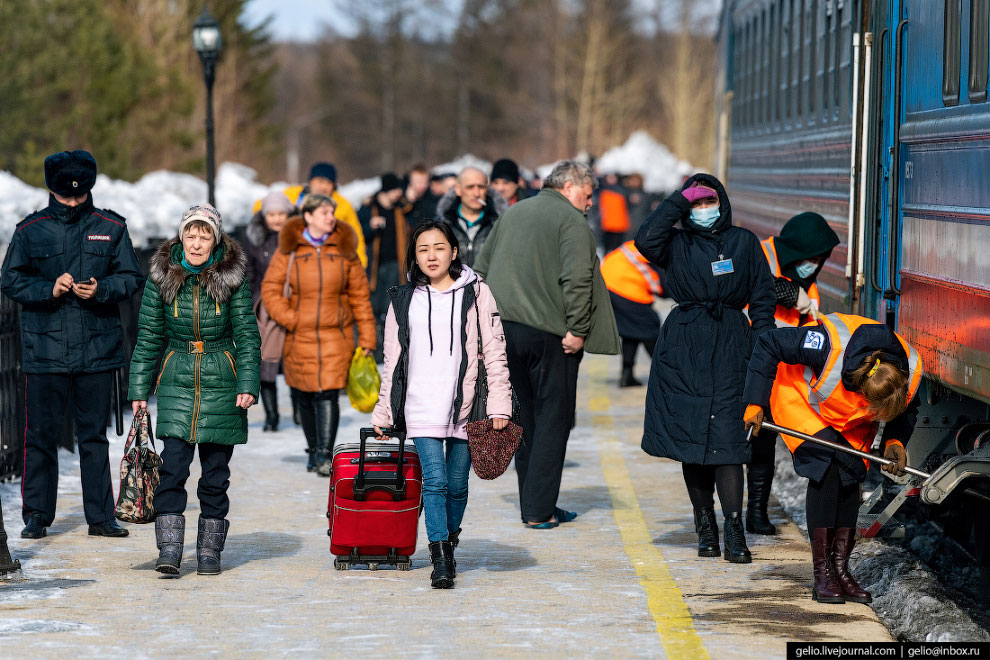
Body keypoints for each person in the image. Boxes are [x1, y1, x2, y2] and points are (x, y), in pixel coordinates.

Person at [0, 149, 143, 540]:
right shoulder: (30, 230)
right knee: (39, 438)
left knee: (94, 437)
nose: (74, 202)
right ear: (52, 190)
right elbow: (10, 281)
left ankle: (101, 517)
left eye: (80, 196)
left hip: (96, 351)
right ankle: (37, 516)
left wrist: (102, 289)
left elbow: (132, 276)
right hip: (43, 353)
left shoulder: (111, 226)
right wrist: (49, 288)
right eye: (66, 196)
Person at [634, 174, 775, 564]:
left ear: (721, 202)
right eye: (695, 204)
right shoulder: (676, 243)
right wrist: (678, 201)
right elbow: (644, 239)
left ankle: (734, 527)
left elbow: (762, 296)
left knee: (730, 442)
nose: (702, 209)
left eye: (708, 201)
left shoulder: (744, 242)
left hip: (733, 345)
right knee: (693, 442)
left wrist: (764, 347)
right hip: (685, 347)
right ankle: (705, 525)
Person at [475, 160, 620, 528]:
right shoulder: (571, 222)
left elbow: (483, 267)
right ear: (570, 187)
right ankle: (539, 511)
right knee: (554, 420)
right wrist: (578, 329)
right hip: (550, 337)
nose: (590, 204)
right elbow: (578, 279)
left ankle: (535, 503)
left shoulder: (514, 212)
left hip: (505, 332)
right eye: (588, 196)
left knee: (524, 420)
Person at [743, 313, 921, 604]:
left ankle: (840, 570)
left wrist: (895, 441)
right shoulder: (825, 347)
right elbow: (769, 343)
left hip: (849, 417)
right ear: (861, 385)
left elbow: (909, 408)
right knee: (825, 469)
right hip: (801, 399)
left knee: (851, 475)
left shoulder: (908, 370)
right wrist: (754, 402)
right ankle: (822, 574)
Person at [372, 221, 512, 589]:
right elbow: (393, 362)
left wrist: (499, 405)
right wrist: (385, 410)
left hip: (466, 404)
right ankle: (441, 557)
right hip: (420, 403)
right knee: (433, 482)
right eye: (422, 249)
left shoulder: (477, 292)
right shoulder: (402, 299)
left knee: (457, 485)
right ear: (414, 257)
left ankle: (449, 539)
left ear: (453, 251)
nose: (431, 255)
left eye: (438, 247)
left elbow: (495, 352)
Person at [128, 204, 261, 576]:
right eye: (191, 233)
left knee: (215, 474)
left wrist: (248, 383)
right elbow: (150, 336)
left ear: (215, 240)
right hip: (177, 378)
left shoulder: (231, 277)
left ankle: (209, 553)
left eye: (205, 235)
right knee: (173, 469)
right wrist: (139, 387)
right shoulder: (162, 276)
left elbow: (247, 335)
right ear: (181, 236)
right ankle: (169, 552)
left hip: (222, 377)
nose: (197, 242)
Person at [262, 194, 376, 475]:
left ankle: (325, 455)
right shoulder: (289, 250)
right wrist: (291, 318)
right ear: (308, 216)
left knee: (327, 394)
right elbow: (271, 290)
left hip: (336, 335)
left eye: (332, 212)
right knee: (304, 394)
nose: (330, 217)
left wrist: (368, 338)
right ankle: (313, 449)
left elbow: (360, 297)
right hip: (298, 336)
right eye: (324, 212)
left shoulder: (345, 249)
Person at [746, 211, 841, 536]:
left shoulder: (809, 289)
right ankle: (723, 514)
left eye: (819, 260)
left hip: (774, 376)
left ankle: (755, 512)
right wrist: (786, 292)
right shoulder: (761, 253)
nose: (812, 265)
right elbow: (747, 280)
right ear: (795, 249)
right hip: (738, 362)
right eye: (809, 258)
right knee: (729, 442)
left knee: (762, 441)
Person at [252, 162, 368, 268]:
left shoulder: (343, 205)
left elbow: (355, 236)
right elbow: (260, 205)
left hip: (329, 262)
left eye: (329, 183)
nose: (324, 187)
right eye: (320, 181)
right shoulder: (295, 195)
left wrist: (360, 264)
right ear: (311, 181)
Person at [246, 191, 294, 432]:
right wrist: (254, 301)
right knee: (266, 363)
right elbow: (251, 273)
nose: (276, 219)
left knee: (295, 359)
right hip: (264, 306)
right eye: (271, 214)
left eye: (281, 213)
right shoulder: (256, 240)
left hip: (293, 303)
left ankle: (298, 412)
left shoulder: (297, 236)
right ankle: (271, 414)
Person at [359, 173, 411, 362]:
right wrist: (370, 227)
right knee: (372, 308)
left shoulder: (401, 209)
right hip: (373, 268)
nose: (399, 193)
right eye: (396, 189)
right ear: (387, 190)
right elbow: (357, 234)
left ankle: (389, 350)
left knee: (390, 310)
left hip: (396, 266)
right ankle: (373, 348)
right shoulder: (368, 209)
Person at [600, 240, 664, 387]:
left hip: (609, 283)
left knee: (631, 331)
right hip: (624, 286)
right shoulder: (657, 248)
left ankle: (626, 375)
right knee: (650, 326)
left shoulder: (639, 243)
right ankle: (666, 375)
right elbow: (663, 283)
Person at [436, 166, 508, 267]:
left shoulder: (499, 224)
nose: (476, 193)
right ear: (458, 189)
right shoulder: (442, 225)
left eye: (481, 187)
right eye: (470, 187)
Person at [405, 162, 438, 227]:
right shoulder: (401, 198)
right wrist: (408, 201)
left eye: (424, 182)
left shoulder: (434, 199)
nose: (421, 185)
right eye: (418, 182)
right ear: (410, 181)